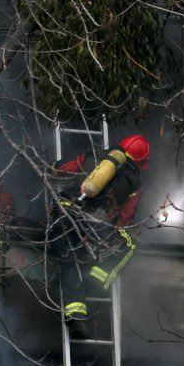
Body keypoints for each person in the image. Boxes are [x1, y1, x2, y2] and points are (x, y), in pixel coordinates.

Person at [50, 134, 149, 324]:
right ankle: (93, 285)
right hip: (93, 224)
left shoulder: (94, 157)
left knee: (68, 256)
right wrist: (108, 232)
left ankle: (75, 310)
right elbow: (126, 219)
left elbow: (63, 169)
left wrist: (54, 165)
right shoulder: (134, 182)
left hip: (64, 212)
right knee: (128, 245)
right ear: (141, 162)